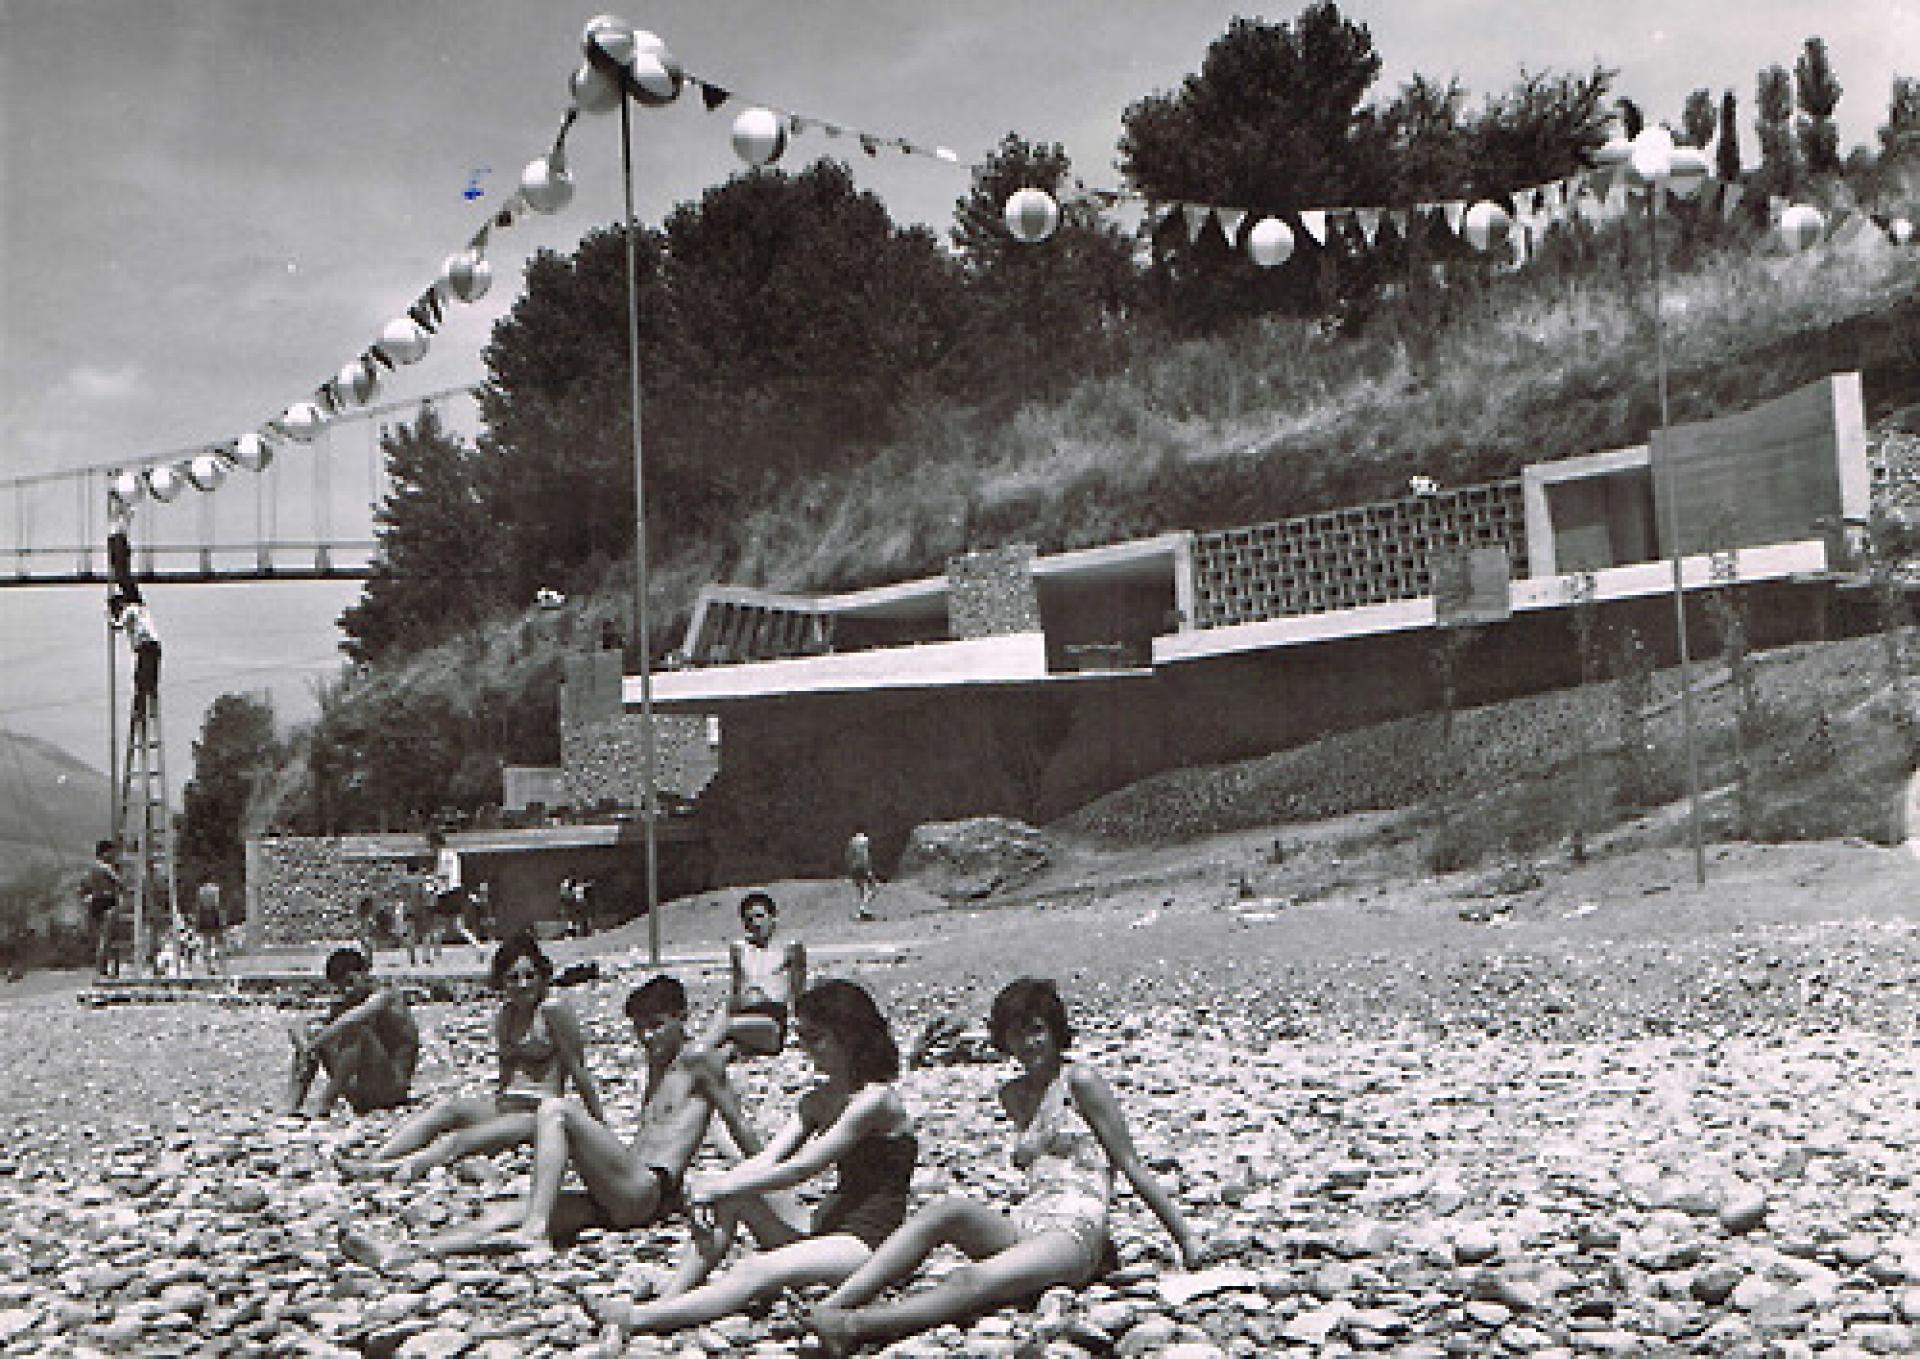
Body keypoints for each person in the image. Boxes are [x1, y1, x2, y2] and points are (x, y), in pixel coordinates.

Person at [803, 978, 1209, 1357]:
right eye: (1016, 1033)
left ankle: (856, 1325)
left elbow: (1130, 1163)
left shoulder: (1081, 1081)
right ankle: (832, 1304)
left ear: (1054, 1030)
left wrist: (1186, 1239)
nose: (1028, 1042)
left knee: (971, 1280)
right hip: (1027, 1222)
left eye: (1036, 1029)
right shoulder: (1011, 1095)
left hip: (1075, 1231)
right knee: (945, 1211)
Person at [339, 974, 761, 1263]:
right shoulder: (658, 1063)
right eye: (639, 1029)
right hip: (620, 1192)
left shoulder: (700, 1061)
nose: (646, 1037)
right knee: (503, 1213)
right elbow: (657, 1132)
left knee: (555, 1108)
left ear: (682, 1018)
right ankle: (404, 1253)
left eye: (656, 1026)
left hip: (648, 1189)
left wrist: (773, 1181)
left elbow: (737, 1124)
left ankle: (535, 1233)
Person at [586, 979, 917, 1341]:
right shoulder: (816, 1100)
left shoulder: (875, 1101)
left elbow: (804, 1167)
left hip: (870, 1243)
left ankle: (640, 1318)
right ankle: (672, 1296)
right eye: (802, 1037)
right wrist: (715, 1188)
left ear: (849, 1036)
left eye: (815, 1037)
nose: (805, 1048)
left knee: (756, 1268)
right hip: (828, 1224)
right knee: (729, 1195)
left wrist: (721, 1186)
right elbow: (769, 1159)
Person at [335, 933, 604, 1182]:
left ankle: (379, 1171)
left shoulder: (552, 1010)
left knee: (456, 1142)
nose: (522, 985)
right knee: (446, 1109)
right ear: (501, 981)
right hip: (506, 1104)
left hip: (538, 1112)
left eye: (529, 976)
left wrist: (599, 1130)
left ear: (542, 976)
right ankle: (379, 1156)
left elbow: (578, 1071)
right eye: (513, 978)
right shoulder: (506, 1016)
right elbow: (505, 1074)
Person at [285, 947, 420, 1118]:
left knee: (354, 1031)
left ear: (364, 973)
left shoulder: (386, 994)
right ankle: (292, 1104)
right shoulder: (352, 999)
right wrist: (305, 1044)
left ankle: (325, 1103)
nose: (347, 991)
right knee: (313, 1033)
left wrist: (313, 1044)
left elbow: (352, 1020)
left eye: (350, 983)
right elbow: (299, 1025)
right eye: (342, 988)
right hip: (361, 1091)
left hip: (391, 1087)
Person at [726, 890, 806, 1057]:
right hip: (743, 1016)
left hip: (772, 1022)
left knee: (724, 1027)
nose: (755, 923)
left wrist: (797, 1030)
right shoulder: (739, 949)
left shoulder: (790, 948)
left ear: (774, 917)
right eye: (749, 919)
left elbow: (798, 992)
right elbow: (736, 989)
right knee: (722, 1045)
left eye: (759, 916)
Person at [80, 840, 123, 978]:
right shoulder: (105, 868)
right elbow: (119, 883)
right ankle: (104, 968)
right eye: (110, 852)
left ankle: (104, 968)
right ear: (105, 853)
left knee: (102, 937)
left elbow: (82, 889)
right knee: (107, 937)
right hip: (106, 902)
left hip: (95, 904)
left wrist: (87, 898)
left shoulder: (90, 869)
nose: (112, 854)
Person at [404, 869, 437, 966]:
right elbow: (429, 898)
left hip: (410, 911)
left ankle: (413, 959)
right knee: (425, 935)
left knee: (412, 936)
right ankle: (425, 958)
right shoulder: (425, 882)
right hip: (422, 911)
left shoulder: (408, 881)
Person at [194, 879, 227, 975]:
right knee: (219, 943)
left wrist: (198, 923)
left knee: (207, 944)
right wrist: (222, 921)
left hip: (205, 920)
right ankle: (221, 966)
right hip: (214, 919)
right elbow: (218, 907)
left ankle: (210, 966)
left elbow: (199, 908)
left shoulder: (202, 891)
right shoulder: (215, 890)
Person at [846, 831, 878, 921]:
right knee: (875, 887)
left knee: (861, 890)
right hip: (863, 866)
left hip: (854, 868)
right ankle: (863, 909)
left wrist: (850, 869)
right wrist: (869, 869)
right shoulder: (865, 841)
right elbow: (866, 856)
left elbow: (848, 856)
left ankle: (862, 911)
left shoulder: (852, 842)